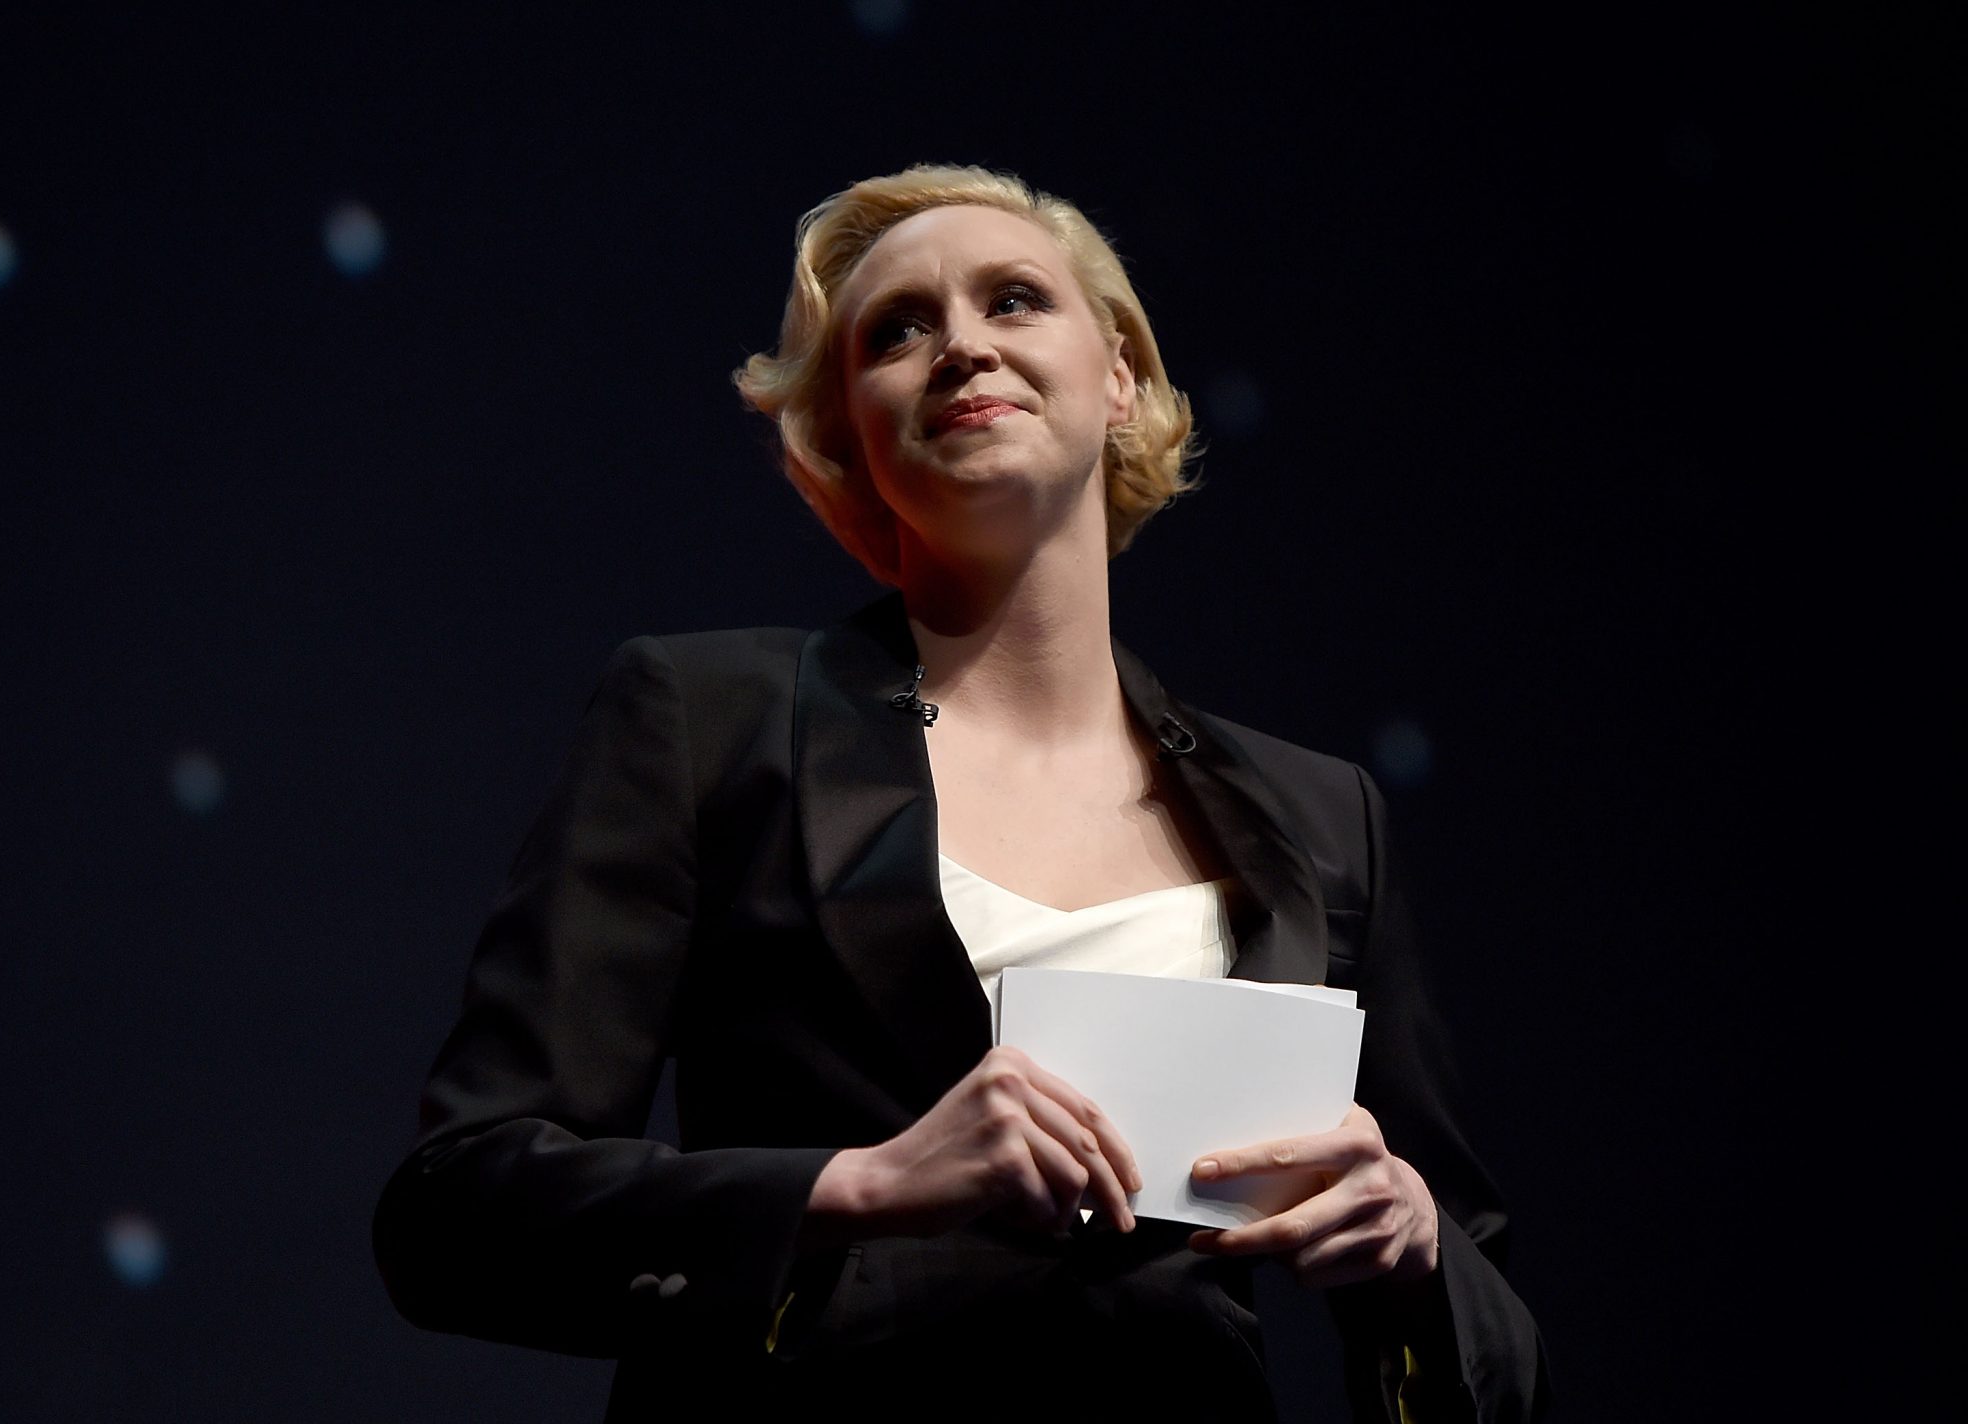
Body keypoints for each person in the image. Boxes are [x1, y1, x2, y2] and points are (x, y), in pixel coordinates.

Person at [372, 164, 1548, 1421]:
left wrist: (1413, 1250)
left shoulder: (1317, 817)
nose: (962, 346)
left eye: (1014, 299)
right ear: (846, 436)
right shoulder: (707, 720)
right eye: (897, 331)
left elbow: (1490, 1334)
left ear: (1119, 377)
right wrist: (859, 1185)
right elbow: (459, 1207)